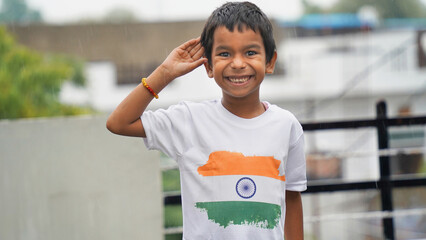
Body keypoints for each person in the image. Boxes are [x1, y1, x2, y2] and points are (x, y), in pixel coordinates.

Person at [106, 2, 306, 239]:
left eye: (250, 52)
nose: (238, 63)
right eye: (224, 54)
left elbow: (291, 197)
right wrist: (164, 73)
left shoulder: (286, 125)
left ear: (270, 62)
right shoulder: (189, 120)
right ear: (208, 66)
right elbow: (119, 122)